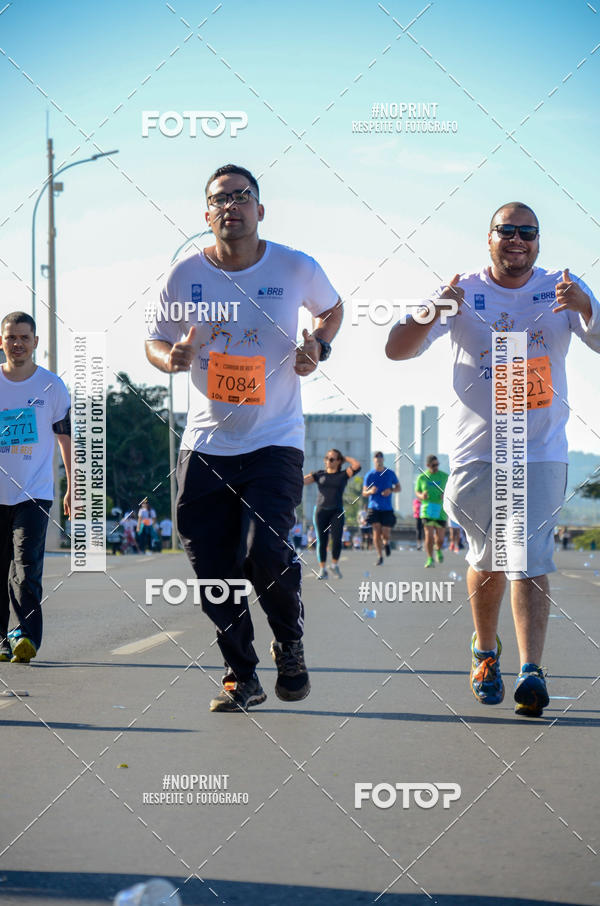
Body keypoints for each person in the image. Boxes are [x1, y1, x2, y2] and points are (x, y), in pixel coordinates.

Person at [386, 201, 600, 717]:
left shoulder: (563, 288)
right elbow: (396, 349)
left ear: (538, 241)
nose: (518, 239)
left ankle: (532, 670)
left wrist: (587, 309)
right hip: (478, 453)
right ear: (489, 238)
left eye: (528, 231)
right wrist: (436, 308)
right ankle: (485, 651)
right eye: (507, 230)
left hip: (541, 451)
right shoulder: (463, 292)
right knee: (488, 560)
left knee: (529, 556)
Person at [146, 163, 342, 712]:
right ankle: (241, 674)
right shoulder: (184, 275)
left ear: (260, 208)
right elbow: (154, 339)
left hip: (275, 439)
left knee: (265, 550)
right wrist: (170, 358)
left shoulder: (294, 266)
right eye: (219, 199)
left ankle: (289, 642)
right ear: (206, 213)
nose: (230, 206)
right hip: (206, 444)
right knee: (211, 566)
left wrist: (318, 346)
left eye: (241, 196)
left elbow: (332, 309)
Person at [0, 312, 71, 663]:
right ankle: (2, 640)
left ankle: (26, 635)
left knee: (26, 568)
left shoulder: (51, 386)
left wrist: (73, 485)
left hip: (34, 492)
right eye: (11, 337)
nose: (18, 343)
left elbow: (65, 437)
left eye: (24, 338)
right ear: (1, 342)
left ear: (35, 342)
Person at [304, 449, 361, 579]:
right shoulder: (319, 474)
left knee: (336, 540)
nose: (328, 461)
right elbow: (301, 481)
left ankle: (334, 565)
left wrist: (345, 458)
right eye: (326, 458)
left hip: (337, 511)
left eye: (331, 459)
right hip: (320, 511)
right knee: (322, 540)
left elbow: (357, 466)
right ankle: (322, 569)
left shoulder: (344, 474)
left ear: (338, 461)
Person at [362, 452, 400, 566]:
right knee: (376, 532)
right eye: (376, 459)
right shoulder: (369, 475)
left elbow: (399, 488)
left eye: (380, 459)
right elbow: (364, 492)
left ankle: (386, 543)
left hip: (387, 508)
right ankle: (380, 556)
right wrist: (370, 491)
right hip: (374, 507)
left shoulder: (390, 473)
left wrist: (391, 490)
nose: (378, 461)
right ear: (374, 460)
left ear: (383, 460)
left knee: (385, 532)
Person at [415, 454, 449, 568]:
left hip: (440, 511)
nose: (436, 467)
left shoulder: (444, 476)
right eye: (433, 465)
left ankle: (438, 549)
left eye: (437, 464)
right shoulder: (422, 477)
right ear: (428, 465)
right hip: (427, 510)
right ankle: (430, 558)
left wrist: (446, 494)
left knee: (440, 539)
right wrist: (421, 496)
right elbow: (417, 492)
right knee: (428, 535)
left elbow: (451, 490)